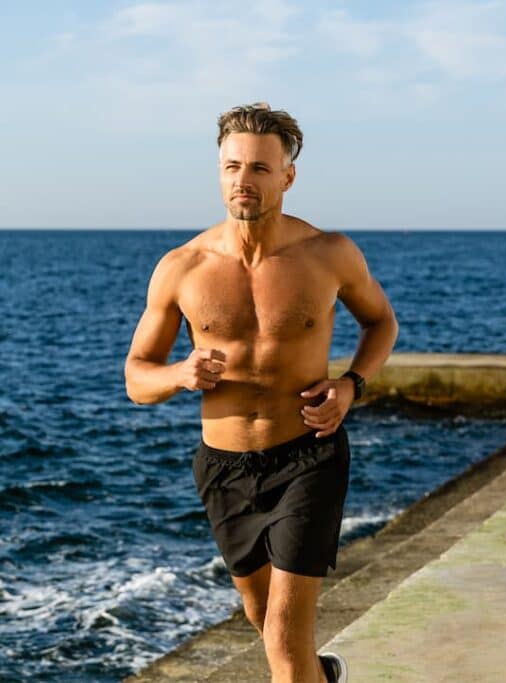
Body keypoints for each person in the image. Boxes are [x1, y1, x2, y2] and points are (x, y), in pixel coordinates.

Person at [124, 102, 398, 683]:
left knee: (281, 637)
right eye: (231, 167)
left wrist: (351, 385)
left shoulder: (329, 254)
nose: (242, 180)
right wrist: (180, 374)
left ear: (287, 176)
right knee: (258, 613)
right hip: (223, 467)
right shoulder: (181, 267)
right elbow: (137, 377)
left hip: (309, 455)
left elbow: (382, 323)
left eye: (259, 168)